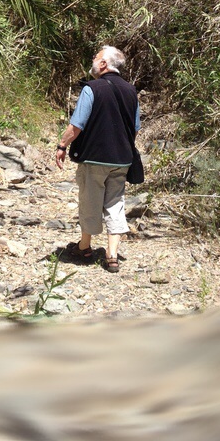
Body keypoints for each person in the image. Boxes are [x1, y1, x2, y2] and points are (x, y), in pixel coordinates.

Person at [55, 45, 141, 273]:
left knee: (90, 201)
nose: (93, 59)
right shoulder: (131, 91)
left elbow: (77, 125)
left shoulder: (91, 88)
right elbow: (135, 128)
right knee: (115, 203)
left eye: (96, 57)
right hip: (122, 159)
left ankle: (84, 247)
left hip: (95, 158)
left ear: (103, 64)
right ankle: (112, 255)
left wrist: (62, 145)